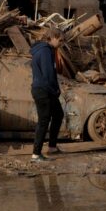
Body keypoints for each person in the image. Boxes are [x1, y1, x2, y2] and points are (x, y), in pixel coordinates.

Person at [30, 27, 65, 162]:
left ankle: (52, 147)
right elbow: (49, 73)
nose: (61, 43)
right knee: (43, 121)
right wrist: (55, 89)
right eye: (60, 40)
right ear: (52, 38)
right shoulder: (45, 51)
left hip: (44, 88)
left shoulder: (46, 50)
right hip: (43, 90)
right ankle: (36, 154)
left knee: (58, 114)